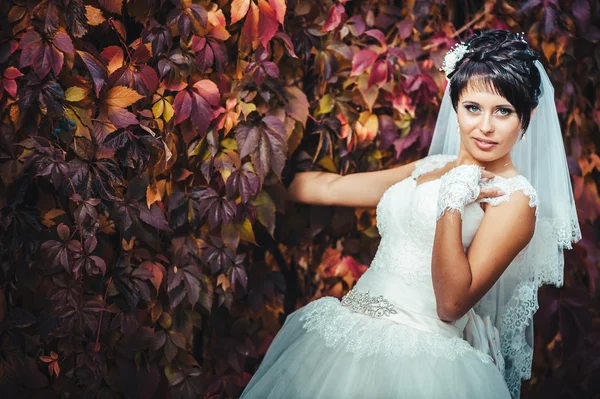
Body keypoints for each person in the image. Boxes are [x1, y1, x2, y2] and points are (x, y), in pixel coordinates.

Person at [240, 30, 581, 399]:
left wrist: (452, 202)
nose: (485, 126)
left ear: (526, 116)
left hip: (420, 360)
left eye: (503, 111)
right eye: (473, 108)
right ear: (455, 106)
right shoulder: (431, 165)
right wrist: (243, 177)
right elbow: (330, 187)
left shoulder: (514, 199)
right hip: (346, 334)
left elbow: (451, 303)